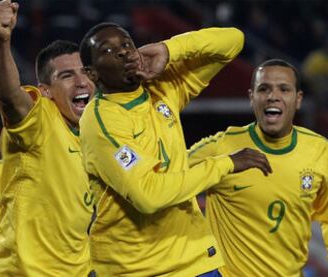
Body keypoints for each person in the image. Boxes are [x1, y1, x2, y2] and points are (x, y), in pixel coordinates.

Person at [78, 22, 272, 276]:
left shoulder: (162, 88)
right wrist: (225, 164)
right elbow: (149, 196)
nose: (124, 52)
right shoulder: (100, 121)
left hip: (195, 260)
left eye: (126, 44)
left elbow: (233, 41)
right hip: (138, 268)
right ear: (91, 74)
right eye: (108, 50)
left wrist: (168, 49)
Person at [188, 59, 328, 277]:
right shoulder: (222, 146)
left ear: (298, 100)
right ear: (252, 98)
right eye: (264, 89)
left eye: (284, 89)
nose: (273, 96)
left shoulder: (320, 151)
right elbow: (163, 179)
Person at [0, 1, 95, 275]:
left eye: (85, 73)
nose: (81, 82)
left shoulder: (99, 134)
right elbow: (10, 97)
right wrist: (2, 41)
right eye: (67, 76)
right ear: (45, 90)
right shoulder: (40, 119)